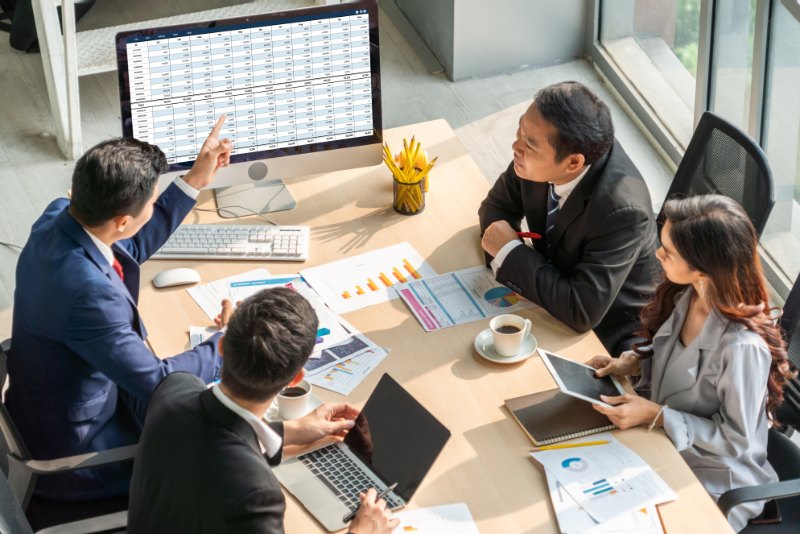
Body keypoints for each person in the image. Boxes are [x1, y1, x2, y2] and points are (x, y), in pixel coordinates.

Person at [5, 116, 233, 502]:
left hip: (46, 405)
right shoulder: (89, 295)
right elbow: (158, 382)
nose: (153, 206)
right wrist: (228, 343)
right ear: (123, 220)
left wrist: (194, 180)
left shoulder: (58, 216)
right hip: (81, 453)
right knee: (223, 455)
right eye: (152, 203)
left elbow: (128, 245)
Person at [588, 195, 794, 532]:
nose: (658, 253)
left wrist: (657, 415)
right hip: (663, 445)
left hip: (713, 477)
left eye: (668, 252)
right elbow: (680, 365)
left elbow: (737, 439)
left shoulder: (742, 348)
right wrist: (635, 364)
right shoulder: (690, 294)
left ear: (703, 268)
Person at [128, 287, 399, 534]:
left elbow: (212, 434)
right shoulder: (256, 494)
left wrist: (290, 431)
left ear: (222, 347)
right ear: (295, 379)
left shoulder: (174, 388)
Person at [479, 81, 659, 356]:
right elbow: (496, 208)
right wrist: (522, 267)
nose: (516, 146)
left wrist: (509, 252)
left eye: (529, 144)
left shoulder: (623, 212)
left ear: (573, 163)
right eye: (519, 131)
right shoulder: (541, 155)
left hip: (606, 335)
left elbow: (580, 311)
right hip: (551, 301)